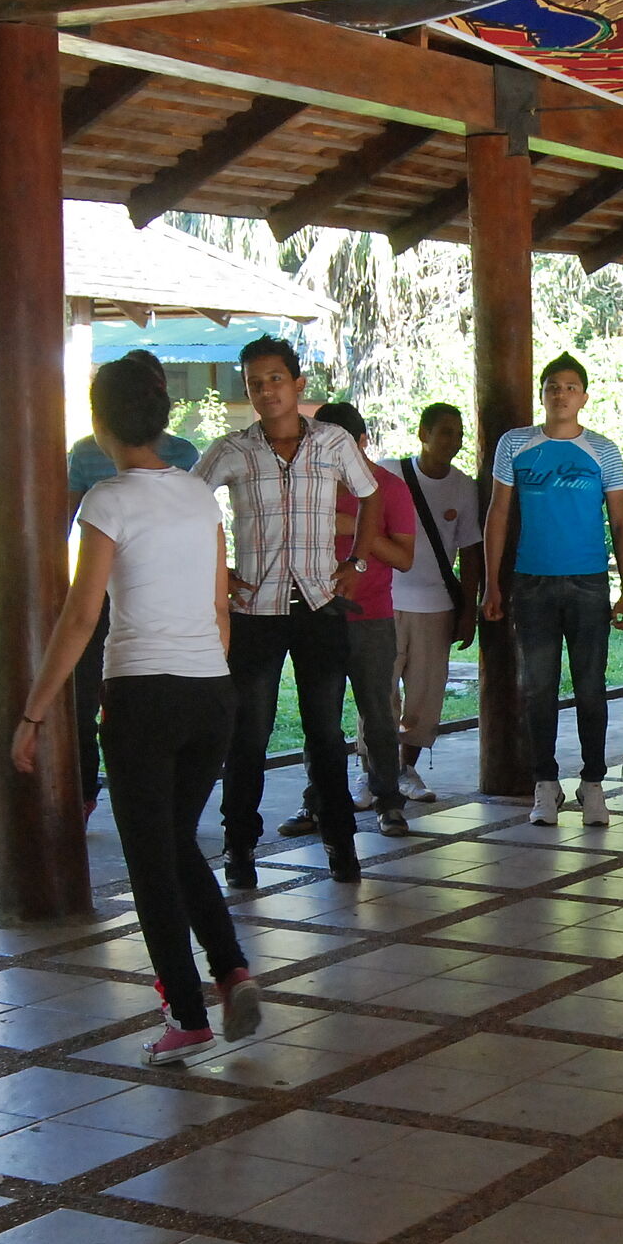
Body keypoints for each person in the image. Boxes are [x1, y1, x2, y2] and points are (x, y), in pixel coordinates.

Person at [17, 358, 259, 1064]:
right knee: (175, 844)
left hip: (143, 697)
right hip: (211, 693)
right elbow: (220, 609)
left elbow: (80, 617)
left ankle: (188, 1015)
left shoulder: (107, 502)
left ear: (100, 425)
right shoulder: (196, 496)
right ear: (160, 418)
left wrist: (34, 713)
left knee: (152, 861)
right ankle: (231, 968)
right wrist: (206, 673)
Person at [195, 335, 382, 888]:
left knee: (324, 731)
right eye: (255, 382)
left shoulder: (333, 441)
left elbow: (371, 494)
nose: (266, 390)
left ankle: (340, 842)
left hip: (320, 605)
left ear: (298, 385)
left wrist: (359, 561)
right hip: (255, 609)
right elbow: (186, 505)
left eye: (275, 378)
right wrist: (218, 573)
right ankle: (240, 847)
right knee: (248, 733)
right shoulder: (233, 450)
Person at [481, 352, 623, 826]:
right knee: (538, 689)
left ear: (584, 397)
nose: (560, 393)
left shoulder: (602, 450)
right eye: (552, 385)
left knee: (591, 688)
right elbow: (498, 515)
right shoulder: (516, 445)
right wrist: (492, 584)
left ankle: (593, 785)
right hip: (532, 582)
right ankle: (545, 786)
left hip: (588, 582)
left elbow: (621, 522)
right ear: (542, 393)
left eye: (570, 386)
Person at [65, 350, 199, 817]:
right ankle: (85, 791)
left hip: (157, 594)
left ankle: (169, 793)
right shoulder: (86, 456)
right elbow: (63, 520)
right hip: (104, 590)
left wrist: (30, 714)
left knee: (148, 694)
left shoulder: (183, 457)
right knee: (85, 697)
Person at [275, 401, 417, 839]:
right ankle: (319, 802)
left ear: (361, 442)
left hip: (371, 617)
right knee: (320, 718)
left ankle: (388, 802)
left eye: (341, 446)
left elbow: (404, 558)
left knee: (377, 715)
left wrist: (352, 528)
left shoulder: (389, 488)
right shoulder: (306, 485)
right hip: (316, 616)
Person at [392, 402, 483, 802]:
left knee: (425, 695)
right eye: (445, 431)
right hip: (387, 602)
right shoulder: (390, 474)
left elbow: (471, 551)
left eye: (459, 432)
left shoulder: (464, 487)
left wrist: (469, 609)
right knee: (378, 692)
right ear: (422, 434)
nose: (454, 440)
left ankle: (406, 769)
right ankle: (373, 770)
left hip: (437, 606)